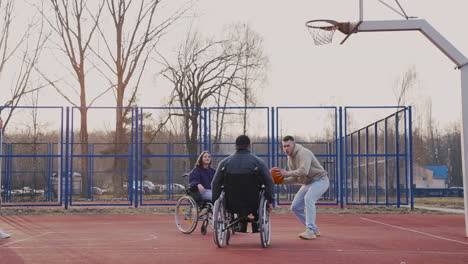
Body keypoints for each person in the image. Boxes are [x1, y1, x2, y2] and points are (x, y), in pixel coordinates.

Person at [211, 135, 275, 233]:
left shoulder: (224, 163)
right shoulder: (258, 162)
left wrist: (215, 201)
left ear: (235, 146)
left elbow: (215, 183)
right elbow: (269, 182)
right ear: (250, 145)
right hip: (253, 202)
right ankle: (256, 221)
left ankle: (239, 223)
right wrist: (270, 200)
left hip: (230, 202)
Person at [277, 135, 329, 240]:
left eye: (288, 146)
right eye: (284, 146)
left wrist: (287, 173)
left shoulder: (303, 153)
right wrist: (280, 181)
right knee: (295, 207)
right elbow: (296, 178)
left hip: (320, 180)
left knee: (309, 199)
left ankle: (310, 230)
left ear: (294, 145)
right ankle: (314, 228)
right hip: (308, 183)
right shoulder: (290, 158)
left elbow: (304, 171)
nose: (286, 149)